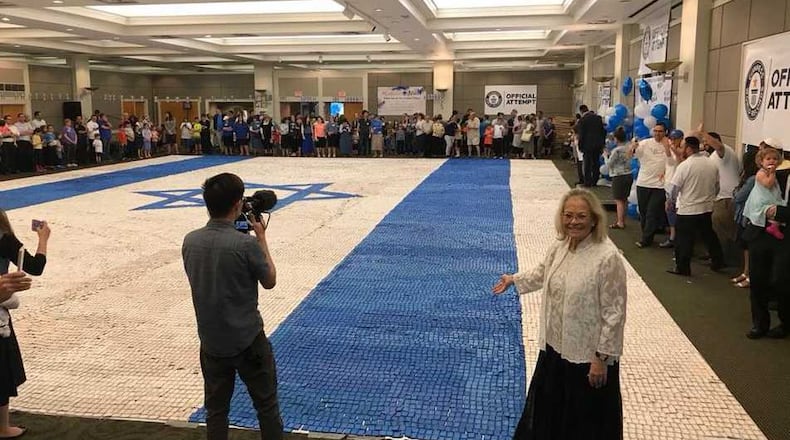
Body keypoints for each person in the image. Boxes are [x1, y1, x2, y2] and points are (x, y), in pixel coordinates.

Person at [493, 188, 626, 440]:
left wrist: (601, 358)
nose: (573, 222)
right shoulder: (560, 246)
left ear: (594, 219)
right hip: (555, 348)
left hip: (587, 358)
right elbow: (542, 273)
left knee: (583, 422)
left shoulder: (607, 257)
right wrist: (514, 279)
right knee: (552, 414)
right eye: (568, 215)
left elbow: (614, 314)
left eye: (580, 216)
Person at [182, 173, 282, 440]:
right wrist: (260, 237)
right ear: (238, 204)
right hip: (248, 339)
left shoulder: (190, 241)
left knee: (216, 411)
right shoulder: (245, 245)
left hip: (211, 341)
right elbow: (269, 280)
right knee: (266, 407)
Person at [0, 208, 50, 439]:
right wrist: (43, 239)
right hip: (1, 308)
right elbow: (35, 266)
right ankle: (3, 426)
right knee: (2, 368)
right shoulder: (5, 237)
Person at [666, 136, 724, 276]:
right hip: (706, 208)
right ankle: (718, 261)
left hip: (688, 209)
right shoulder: (711, 164)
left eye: (683, 147)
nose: (681, 149)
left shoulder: (685, 166)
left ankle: (683, 267)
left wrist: (671, 202)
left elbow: (674, 188)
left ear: (689, 148)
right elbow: (717, 187)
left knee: (684, 240)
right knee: (709, 235)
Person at [630, 122, 670, 248]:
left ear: (665, 132)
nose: (658, 133)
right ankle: (647, 234)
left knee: (652, 213)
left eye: (660, 131)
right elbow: (630, 155)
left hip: (659, 185)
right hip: (643, 182)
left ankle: (646, 239)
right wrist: (633, 146)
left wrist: (667, 147)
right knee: (643, 212)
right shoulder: (645, 143)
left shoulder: (669, 144)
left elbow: (673, 161)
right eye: (656, 131)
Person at [743, 147, 785, 240]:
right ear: (761, 162)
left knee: (781, 208)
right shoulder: (761, 173)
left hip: (771, 198)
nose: (772, 161)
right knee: (771, 210)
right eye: (768, 159)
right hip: (762, 201)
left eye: (775, 159)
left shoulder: (772, 173)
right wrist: (772, 172)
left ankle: (774, 226)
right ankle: (773, 226)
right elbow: (768, 184)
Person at [605, 127, 632, 229]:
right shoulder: (629, 147)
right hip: (628, 174)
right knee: (625, 199)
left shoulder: (616, 150)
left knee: (619, 200)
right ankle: (623, 220)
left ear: (616, 138)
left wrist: (605, 155)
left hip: (618, 175)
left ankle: (620, 222)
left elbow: (609, 164)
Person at [575, 105, 606, 187]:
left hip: (587, 145)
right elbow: (603, 132)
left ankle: (587, 182)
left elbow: (581, 134)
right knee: (596, 163)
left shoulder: (582, 120)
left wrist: (580, 145)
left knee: (587, 164)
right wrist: (602, 144)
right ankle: (595, 181)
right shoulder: (598, 118)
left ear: (581, 111)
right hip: (597, 144)